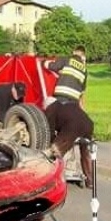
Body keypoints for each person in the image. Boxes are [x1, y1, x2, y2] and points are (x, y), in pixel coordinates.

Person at [41, 45, 95, 188]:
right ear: (83, 55)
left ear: (74, 52)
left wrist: (43, 62)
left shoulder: (67, 59)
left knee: (59, 146)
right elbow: (82, 92)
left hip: (62, 99)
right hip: (80, 112)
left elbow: (51, 66)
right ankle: (90, 180)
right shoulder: (84, 69)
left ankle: (54, 178)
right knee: (85, 150)